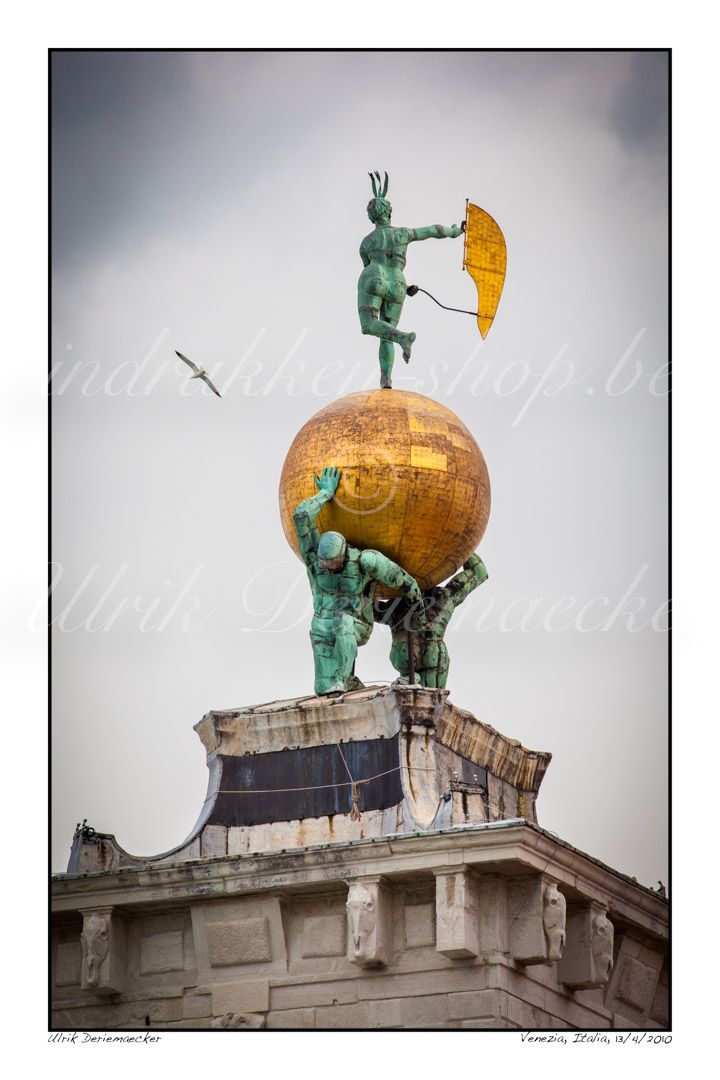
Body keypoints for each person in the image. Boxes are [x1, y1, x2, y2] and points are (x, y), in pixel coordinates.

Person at [293, 466, 425, 695]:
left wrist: (417, 605)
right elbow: (301, 517)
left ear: (343, 553)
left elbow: (404, 581)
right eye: (325, 564)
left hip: (357, 624)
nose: (328, 568)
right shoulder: (314, 558)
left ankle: (343, 680)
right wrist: (325, 493)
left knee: (343, 623)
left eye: (332, 564)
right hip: (323, 625)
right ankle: (346, 683)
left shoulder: (366, 561)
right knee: (323, 687)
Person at [358, 172, 464, 388]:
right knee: (385, 333)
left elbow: (371, 273)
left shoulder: (366, 243)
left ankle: (402, 340)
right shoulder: (404, 234)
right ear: (389, 213)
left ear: (371, 217)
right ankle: (386, 377)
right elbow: (432, 231)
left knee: (370, 325)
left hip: (374, 275)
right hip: (398, 282)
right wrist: (455, 231)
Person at [375, 555, 488, 689]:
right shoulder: (445, 597)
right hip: (433, 654)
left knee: (423, 703)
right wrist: (456, 540)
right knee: (433, 704)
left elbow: (361, 607)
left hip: (405, 654)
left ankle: (409, 680)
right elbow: (479, 572)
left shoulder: (394, 607)